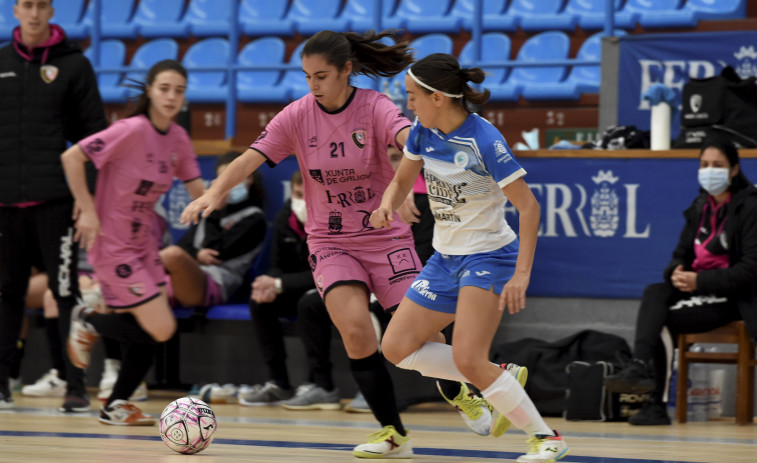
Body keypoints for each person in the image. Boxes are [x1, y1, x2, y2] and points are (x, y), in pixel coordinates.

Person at [182, 29, 422, 458]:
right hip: (331, 240)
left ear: (347, 71)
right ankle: (393, 433)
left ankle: (478, 388)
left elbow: (408, 141)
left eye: (322, 75)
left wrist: (409, 174)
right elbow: (249, 159)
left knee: (419, 339)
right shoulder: (296, 115)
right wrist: (214, 194)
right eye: (308, 76)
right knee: (355, 333)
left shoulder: (375, 106)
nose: (313, 85)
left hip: (384, 237)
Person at [370, 54, 569, 463]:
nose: (409, 105)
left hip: (489, 256)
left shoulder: (484, 140)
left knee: (467, 357)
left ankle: (546, 437)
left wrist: (522, 274)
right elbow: (402, 180)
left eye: (413, 97)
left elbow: (529, 208)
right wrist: (388, 203)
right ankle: (498, 377)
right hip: (445, 258)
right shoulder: (422, 131)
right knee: (396, 346)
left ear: (439, 97)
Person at [61, 59, 205, 425]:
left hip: (144, 245)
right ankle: (88, 320)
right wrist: (86, 208)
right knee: (162, 327)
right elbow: (72, 157)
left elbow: (197, 189)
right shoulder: (129, 129)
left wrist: (226, 187)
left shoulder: (178, 138)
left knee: (147, 333)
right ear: (150, 91)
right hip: (112, 244)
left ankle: (115, 405)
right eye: (165, 88)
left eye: (179, 90)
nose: (172, 96)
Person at [0, 0, 108, 411]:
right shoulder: (1, 62)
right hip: (5, 203)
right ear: (15, 10)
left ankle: (75, 386)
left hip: (57, 204)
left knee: (66, 293)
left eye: (42, 5)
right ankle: (0, 385)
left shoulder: (75, 66)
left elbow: (96, 140)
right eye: (27, 5)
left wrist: (88, 201)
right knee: (7, 293)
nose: (34, 13)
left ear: (51, 11)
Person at [604, 136, 757, 426]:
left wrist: (700, 281)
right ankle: (639, 367)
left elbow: (750, 270)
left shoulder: (749, 207)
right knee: (656, 291)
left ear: (734, 170)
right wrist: (675, 271)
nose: (709, 171)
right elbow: (679, 255)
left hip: (735, 297)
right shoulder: (701, 205)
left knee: (665, 320)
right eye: (704, 164)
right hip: (699, 288)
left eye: (717, 165)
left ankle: (656, 403)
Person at [240, 170, 341, 409]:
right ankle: (278, 382)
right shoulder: (285, 218)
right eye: (297, 194)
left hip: (332, 288)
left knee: (308, 303)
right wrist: (270, 285)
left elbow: (326, 272)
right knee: (260, 302)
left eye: (307, 195)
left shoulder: (335, 221)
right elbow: (277, 265)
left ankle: (319, 383)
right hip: (295, 285)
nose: (301, 200)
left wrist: (279, 284)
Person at [160, 151, 267, 310]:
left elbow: (216, 252)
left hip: (217, 283)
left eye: (232, 177)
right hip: (183, 276)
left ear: (249, 179)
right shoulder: (210, 214)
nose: (226, 184)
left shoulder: (255, 219)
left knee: (171, 256)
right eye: (222, 179)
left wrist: (215, 210)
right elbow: (184, 245)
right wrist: (197, 255)